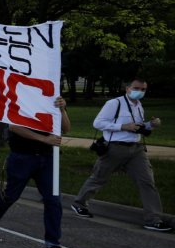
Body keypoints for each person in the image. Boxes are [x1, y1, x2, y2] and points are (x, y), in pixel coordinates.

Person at [0, 97, 74, 248]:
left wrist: (62, 110)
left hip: (47, 159)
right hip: (23, 157)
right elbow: (14, 127)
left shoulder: (53, 100)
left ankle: (52, 244)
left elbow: (66, 129)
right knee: (11, 195)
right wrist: (44, 139)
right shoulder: (22, 99)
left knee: (53, 199)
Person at [71, 79, 172, 231]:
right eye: (136, 88)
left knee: (147, 182)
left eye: (143, 89)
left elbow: (137, 127)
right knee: (99, 178)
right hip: (114, 148)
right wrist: (122, 126)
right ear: (127, 88)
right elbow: (97, 123)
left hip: (136, 149)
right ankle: (79, 203)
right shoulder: (114, 103)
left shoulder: (139, 106)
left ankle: (153, 219)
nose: (140, 91)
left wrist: (150, 125)